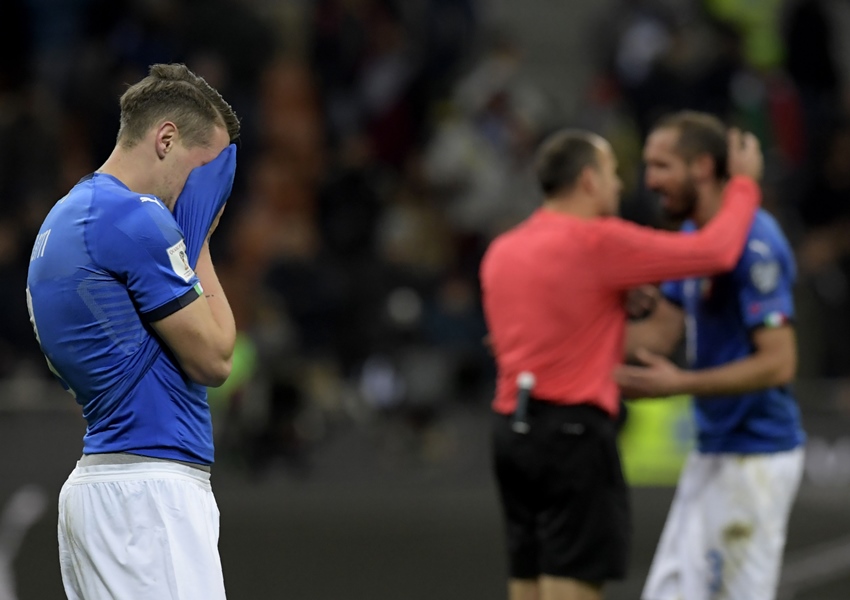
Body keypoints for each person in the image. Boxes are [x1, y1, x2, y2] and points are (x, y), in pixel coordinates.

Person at [479, 126, 765, 600]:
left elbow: (542, 329)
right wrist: (745, 185)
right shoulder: (598, 242)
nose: (620, 185)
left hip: (511, 431)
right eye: (613, 173)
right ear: (588, 180)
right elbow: (715, 252)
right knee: (572, 581)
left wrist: (609, 303)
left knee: (527, 584)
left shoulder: (503, 249)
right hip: (572, 436)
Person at [26, 63, 240, 600]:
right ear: (166, 138)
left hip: (108, 490)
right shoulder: (134, 218)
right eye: (204, 167)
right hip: (149, 494)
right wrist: (200, 236)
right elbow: (215, 359)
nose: (203, 189)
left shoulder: (65, 214)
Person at [616, 110, 806, 600]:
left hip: (755, 458)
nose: (649, 180)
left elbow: (779, 362)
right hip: (714, 450)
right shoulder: (696, 241)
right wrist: (558, 345)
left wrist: (679, 385)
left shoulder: (756, 244)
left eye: (661, 166)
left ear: (701, 166)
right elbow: (658, 334)